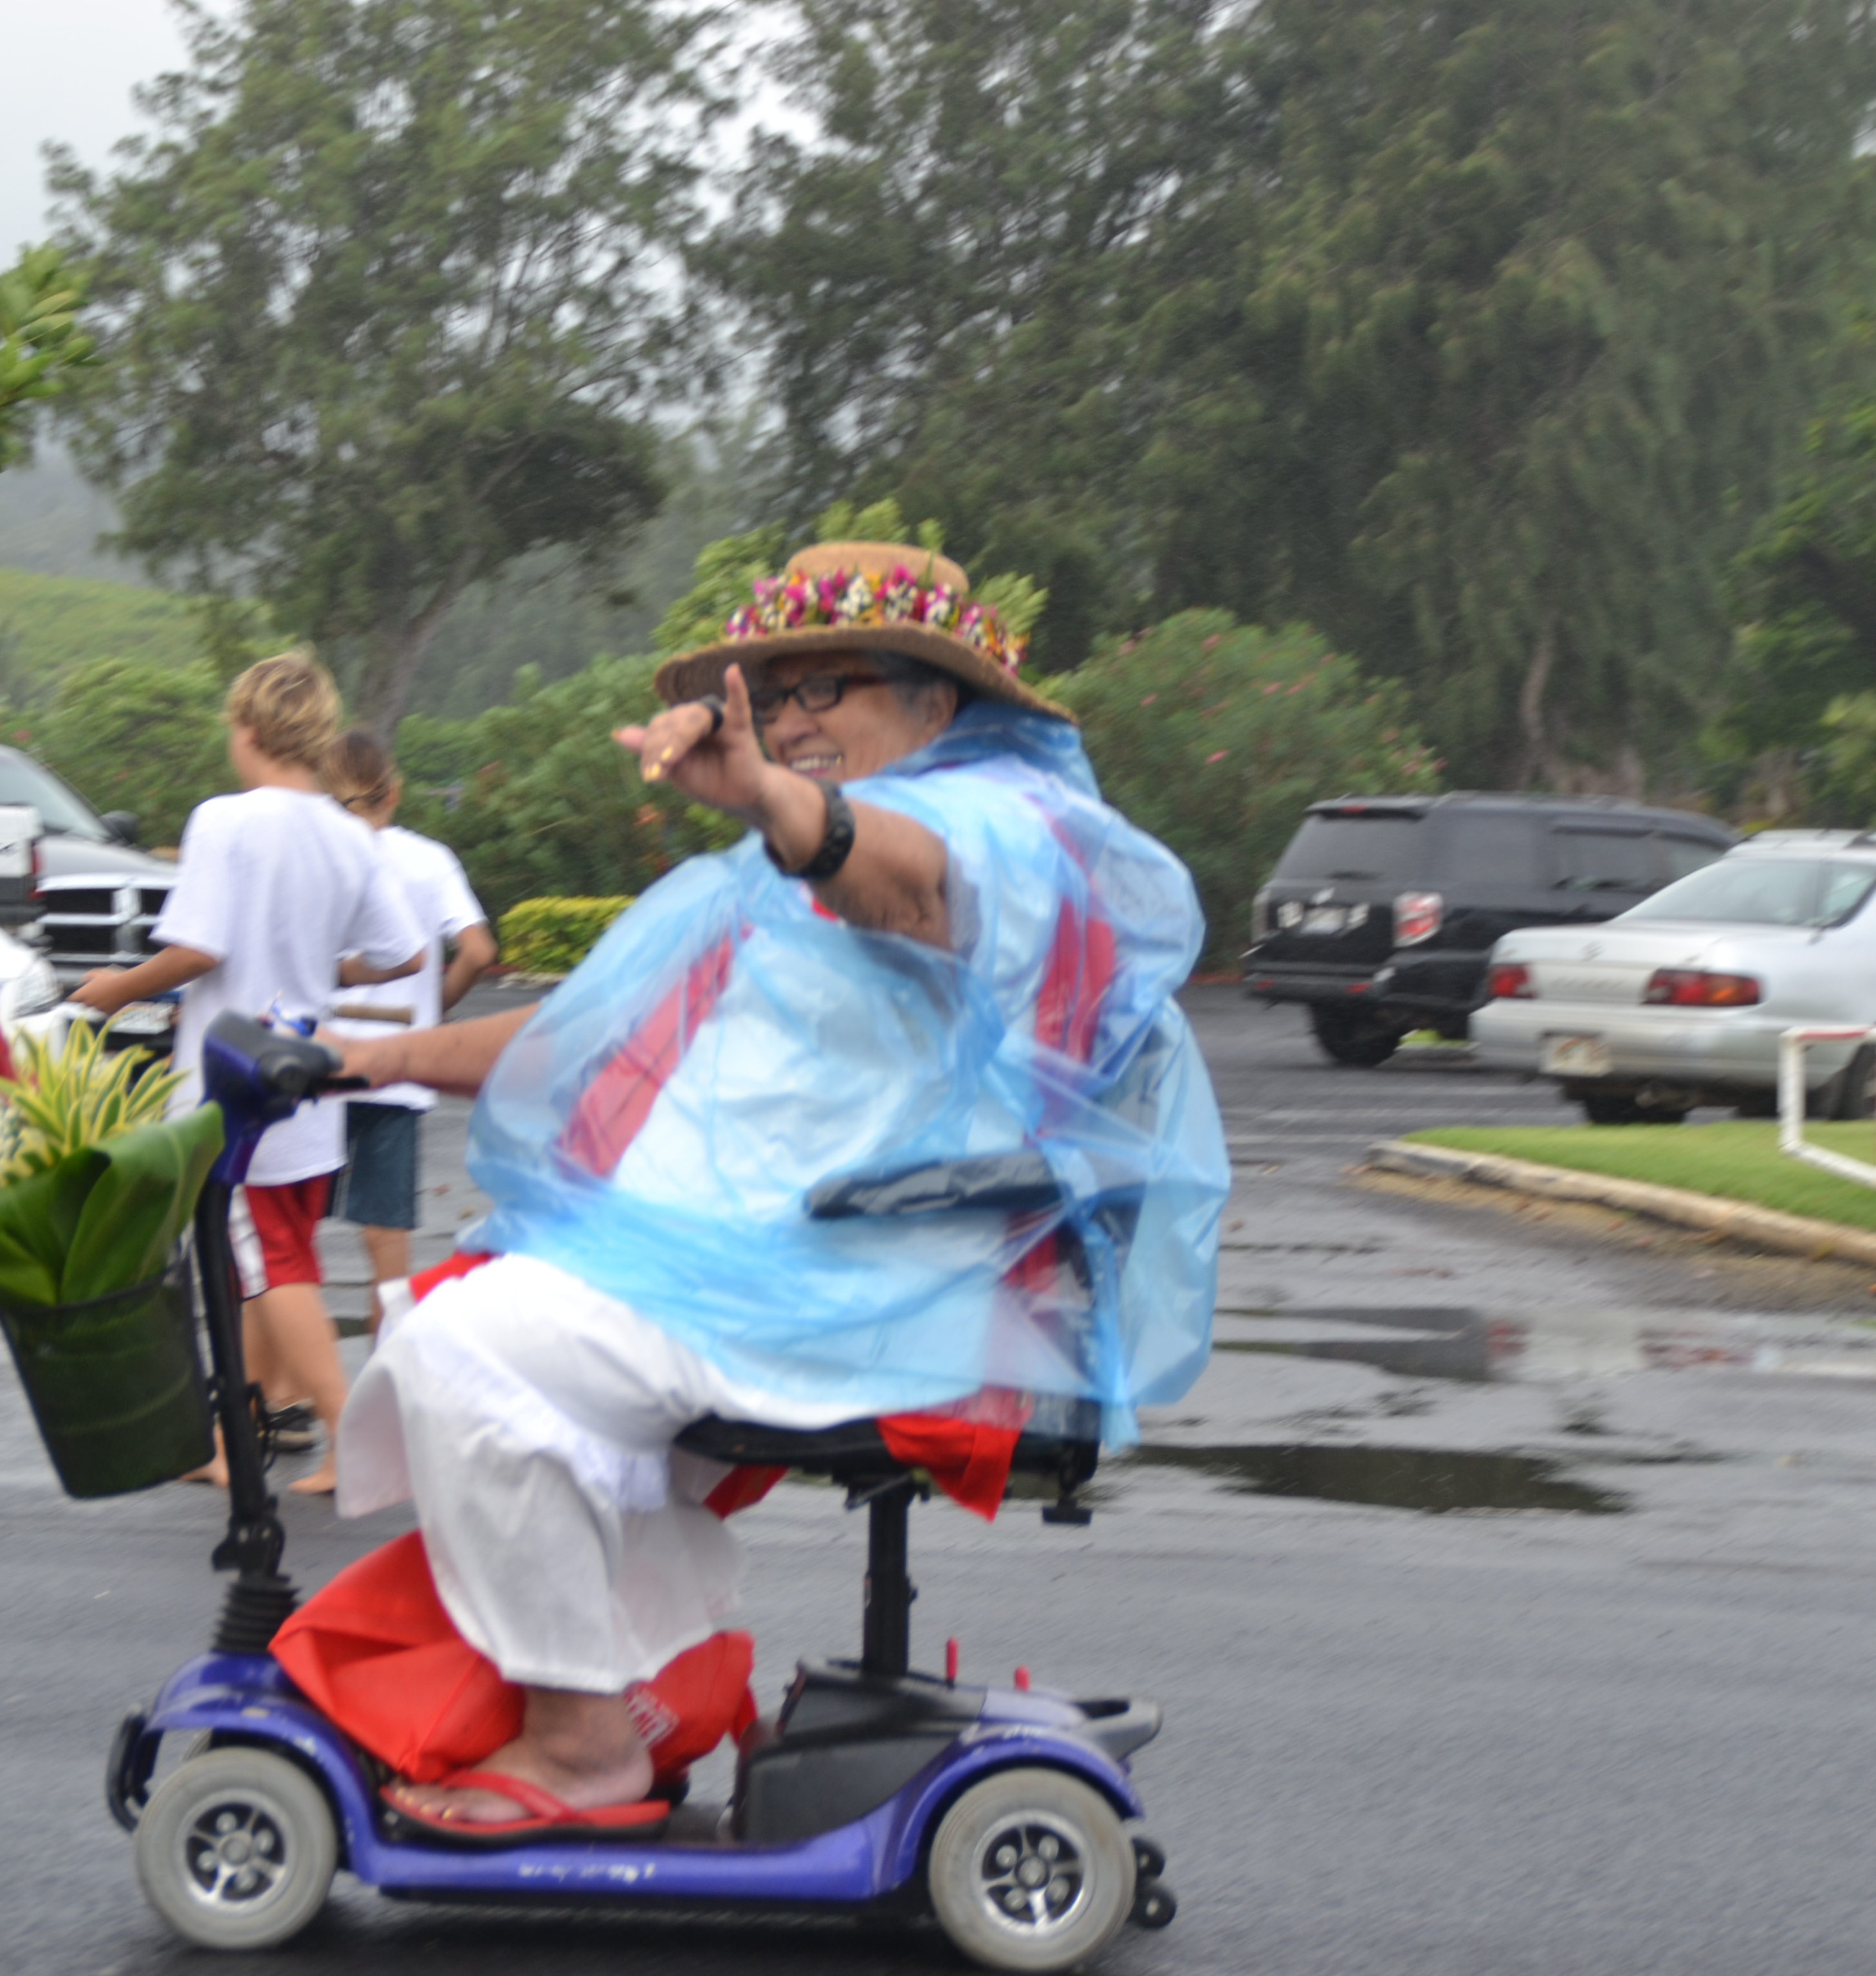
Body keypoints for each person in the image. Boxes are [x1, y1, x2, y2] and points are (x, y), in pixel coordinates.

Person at [325, 540, 1228, 1833]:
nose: (794, 718)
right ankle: (636, 1696)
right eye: (776, 692)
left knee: (469, 1348)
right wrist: (366, 1058)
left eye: (828, 687)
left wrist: (772, 798)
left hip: (874, 1278)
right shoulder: (770, 877)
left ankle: (583, 1744)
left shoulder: (1002, 830)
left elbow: (903, 882)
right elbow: (588, 1041)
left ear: (935, 702)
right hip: (758, 1262)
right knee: (479, 1333)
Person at [66, 653, 425, 1494]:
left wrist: (116, 989)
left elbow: (198, 949)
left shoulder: (223, 821)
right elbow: (404, 954)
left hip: (233, 1092)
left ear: (251, 727)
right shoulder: (348, 833)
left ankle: (352, 1437)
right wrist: (310, 972)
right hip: (309, 1085)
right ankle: (233, 1436)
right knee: (269, 1262)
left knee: (268, 1266)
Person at [322, 729, 499, 1327]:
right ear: (393, 791)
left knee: (287, 1238)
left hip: (318, 1063)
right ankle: (385, 1368)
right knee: (386, 1243)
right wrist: (433, 1012)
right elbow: (478, 951)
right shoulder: (429, 860)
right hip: (396, 1070)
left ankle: (283, 1377)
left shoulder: (318, 859)